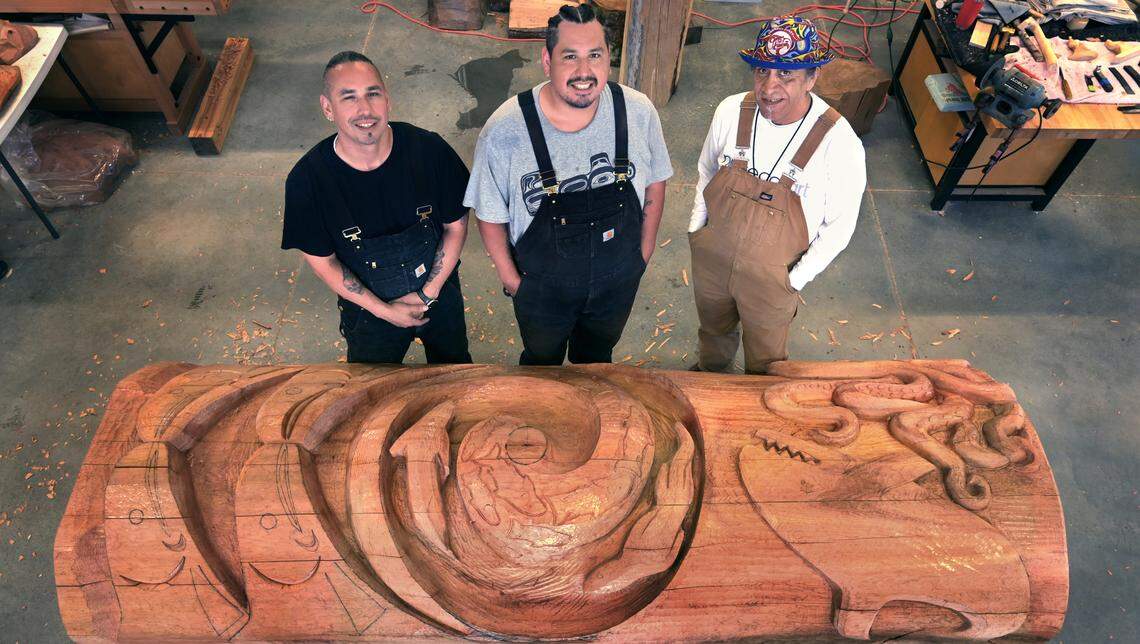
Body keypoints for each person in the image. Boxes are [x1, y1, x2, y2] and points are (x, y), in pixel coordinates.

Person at [465, 4, 672, 366]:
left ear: (609, 57)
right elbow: (489, 213)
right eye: (569, 56)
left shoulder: (638, 112)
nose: (584, 72)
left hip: (617, 280)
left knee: (595, 362)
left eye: (595, 55)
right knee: (541, 367)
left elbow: (655, 181)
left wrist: (643, 252)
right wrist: (513, 281)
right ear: (547, 61)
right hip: (542, 292)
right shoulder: (506, 129)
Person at [689, 15, 866, 374]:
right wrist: (698, 230)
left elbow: (840, 227)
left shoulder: (839, 143)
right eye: (761, 71)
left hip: (774, 279)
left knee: (766, 358)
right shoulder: (731, 111)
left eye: (786, 74)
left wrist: (795, 280)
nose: (769, 88)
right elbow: (706, 168)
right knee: (713, 332)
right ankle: (710, 379)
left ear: (812, 77)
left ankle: (757, 400)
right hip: (713, 259)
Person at [282, 51, 472, 364]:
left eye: (373, 93)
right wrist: (385, 311)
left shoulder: (429, 151)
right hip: (370, 312)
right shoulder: (308, 181)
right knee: (371, 388)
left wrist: (429, 293)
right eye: (348, 97)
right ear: (328, 108)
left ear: (388, 99)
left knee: (454, 369)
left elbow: (457, 226)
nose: (365, 109)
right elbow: (323, 262)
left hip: (438, 295)